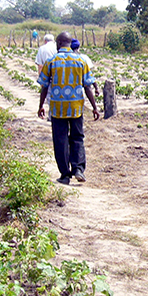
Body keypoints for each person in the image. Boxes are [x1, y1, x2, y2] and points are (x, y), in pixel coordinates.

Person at [38, 32, 100, 184]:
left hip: (58, 108)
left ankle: (65, 175)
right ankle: (78, 169)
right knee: (77, 137)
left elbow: (44, 87)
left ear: (58, 43)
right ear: (70, 43)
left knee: (60, 140)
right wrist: (94, 107)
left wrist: (40, 106)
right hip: (76, 106)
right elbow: (88, 86)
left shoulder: (51, 61)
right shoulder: (81, 60)